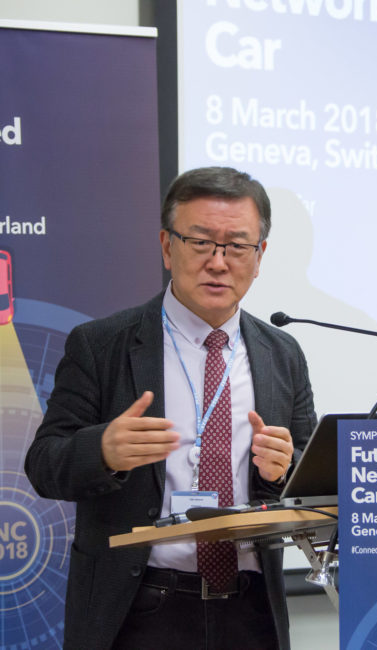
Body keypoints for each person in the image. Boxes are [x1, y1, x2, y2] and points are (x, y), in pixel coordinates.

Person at [25, 166, 317, 650]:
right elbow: (43, 465)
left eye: (236, 246)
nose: (218, 262)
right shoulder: (102, 345)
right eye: (200, 242)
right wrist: (103, 451)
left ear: (259, 256)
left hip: (251, 613)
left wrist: (282, 470)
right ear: (167, 246)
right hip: (141, 611)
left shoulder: (282, 354)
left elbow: (308, 483)